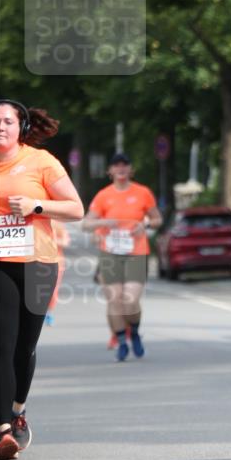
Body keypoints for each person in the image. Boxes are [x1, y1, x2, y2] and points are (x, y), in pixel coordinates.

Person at [0, 99, 84, 460]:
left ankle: (18, 410)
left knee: (24, 348)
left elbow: (77, 209)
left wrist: (36, 205)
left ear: (22, 127)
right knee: (0, 345)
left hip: (38, 263)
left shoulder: (41, 162)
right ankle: (3, 430)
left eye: (6, 122)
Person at [82, 154, 162, 362]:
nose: (120, 169)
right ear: (110, 171)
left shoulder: (142, 193)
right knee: (115, 300)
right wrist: (105, 222)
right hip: (110, 253)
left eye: (124, 165)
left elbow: (157, 219)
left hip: (136, 251)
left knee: (131, 299)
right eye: (116, 165)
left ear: (130, 170)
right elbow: (86, 224)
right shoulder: (103, 195)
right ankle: (121, 341)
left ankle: (134, 332)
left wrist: (143, 225)